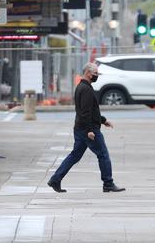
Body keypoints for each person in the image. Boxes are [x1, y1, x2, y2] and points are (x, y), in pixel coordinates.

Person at [48, 62, 125, 193]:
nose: (97, 76)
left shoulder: (82, 87)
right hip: (88, 130)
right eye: (95, 74)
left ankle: (55, 179)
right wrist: (89, 130)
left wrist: (103, 120)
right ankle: (108, 183)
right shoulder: (86, 89)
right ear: (88, 73)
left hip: (80, 128)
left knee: (75, 155)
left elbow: (90, 111)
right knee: (103, 154)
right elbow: (85, 112)